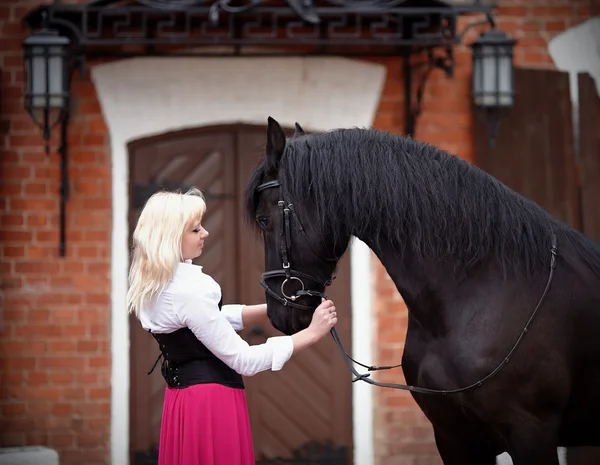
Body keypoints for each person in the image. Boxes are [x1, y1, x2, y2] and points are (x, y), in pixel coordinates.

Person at [126, 187, 337, 465]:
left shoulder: (155, 285)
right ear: (170, 237)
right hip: (210, 404)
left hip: (183, 401)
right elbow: (244, 360)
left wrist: (272, 308)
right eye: (195, 229)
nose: (206, 233)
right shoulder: (190, 289)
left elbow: (205, 321)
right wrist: (310, 335)